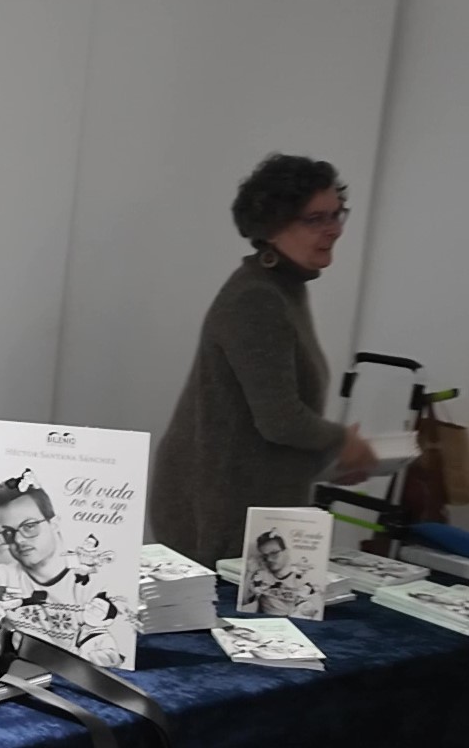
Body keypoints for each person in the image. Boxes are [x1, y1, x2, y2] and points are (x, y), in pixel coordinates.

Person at [148, 154, 379, 567]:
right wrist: (342, 442)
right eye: (315, 219)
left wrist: (330, 458)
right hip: (216, 508)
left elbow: (263, 430)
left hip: (242, 500)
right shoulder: (257, 297)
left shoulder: (284, 287)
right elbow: (281, 420)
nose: (334, 229)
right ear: (273, 225)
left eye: (337, 214)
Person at [0, 469, 81, 621]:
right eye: (9, 532)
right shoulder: (1, 578)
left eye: (29, 526)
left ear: (54, 524)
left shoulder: (87, 582)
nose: (18, 540)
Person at [241, 531, 322, 618]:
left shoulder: (304, 580)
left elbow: (314, 612)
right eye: (265, 556)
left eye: (274, 553)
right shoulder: (261, 576)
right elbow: (243, 601)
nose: (269, 559)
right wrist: (249, 572)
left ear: (286, 552)